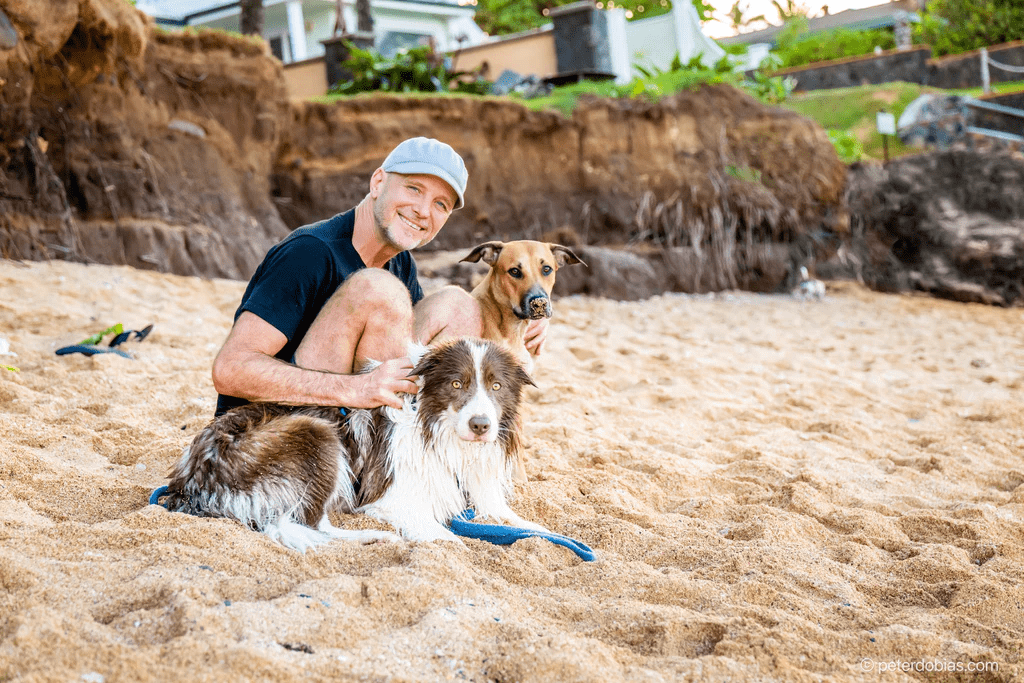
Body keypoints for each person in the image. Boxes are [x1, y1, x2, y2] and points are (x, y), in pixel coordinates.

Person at [211, 137, 547, 417]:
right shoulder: (310, 252)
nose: (423, 211)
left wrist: (522, 322)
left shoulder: (400, 262)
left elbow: (407, 346)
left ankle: (415, 448)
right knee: (377, 288)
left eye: (440, 204)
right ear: (378, 182)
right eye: (414, 189)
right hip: (275, 430)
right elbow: (231, 370)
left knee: (459, 305)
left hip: (348, 422)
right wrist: (358, 388)